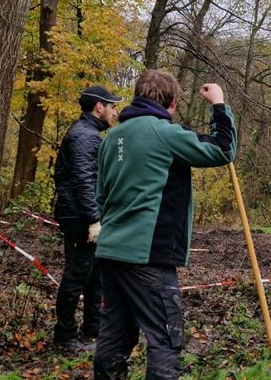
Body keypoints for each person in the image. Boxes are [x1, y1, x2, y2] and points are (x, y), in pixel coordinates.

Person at [93, 70, 236, 379]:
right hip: (148, 257)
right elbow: (223, 150)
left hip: (111, 252)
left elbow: (101, 197)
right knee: (166, 338)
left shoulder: (112, 138)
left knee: (114, 337)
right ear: (172, 103)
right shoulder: (164, 132)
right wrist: (219, 105)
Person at [52, 85, 122, 352]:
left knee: (95, 274)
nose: (115, 112)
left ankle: (93, 329)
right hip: (79, 217)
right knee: (77, 274)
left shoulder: (88, 134)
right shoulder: (84, 136)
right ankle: (65, 336)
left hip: (85, 214)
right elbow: (83, 181)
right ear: (99, 107)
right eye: (112, 106)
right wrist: (93, 220)